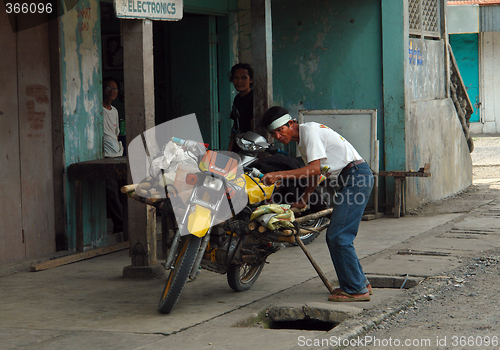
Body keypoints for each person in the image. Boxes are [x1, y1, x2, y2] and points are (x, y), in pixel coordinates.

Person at [260, 106, 374, 302]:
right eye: (273, 133)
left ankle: (357, 290)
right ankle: (360, 282)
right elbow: (318, 172)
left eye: (281, 130)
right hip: (352, 178)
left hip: (356, 177)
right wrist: (304, 199)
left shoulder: (310, 132)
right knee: (341, 235)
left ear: (291, 123)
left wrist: (279, 174)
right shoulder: (304, 141)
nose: (278, 136)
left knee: (338, 235)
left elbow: (312, 170)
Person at [103, 77, 124, 234]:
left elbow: (116, 134)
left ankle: (122, 223)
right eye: (109, 88)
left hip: (116, 154)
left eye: (115, 89)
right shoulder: (97, 109)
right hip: (104, 156)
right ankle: (119, 224)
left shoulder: (115, 111)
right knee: (111, 191)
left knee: (122, 189)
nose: (112, 91)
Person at [228, 63, 253, 152]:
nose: (239, 81)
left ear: (251, 80)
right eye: (236, 77)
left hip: (252, 146)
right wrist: (229, 151)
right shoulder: (237, 99)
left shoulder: (255, 98)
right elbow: (235, 126)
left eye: (243, 77)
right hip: (238, 145)